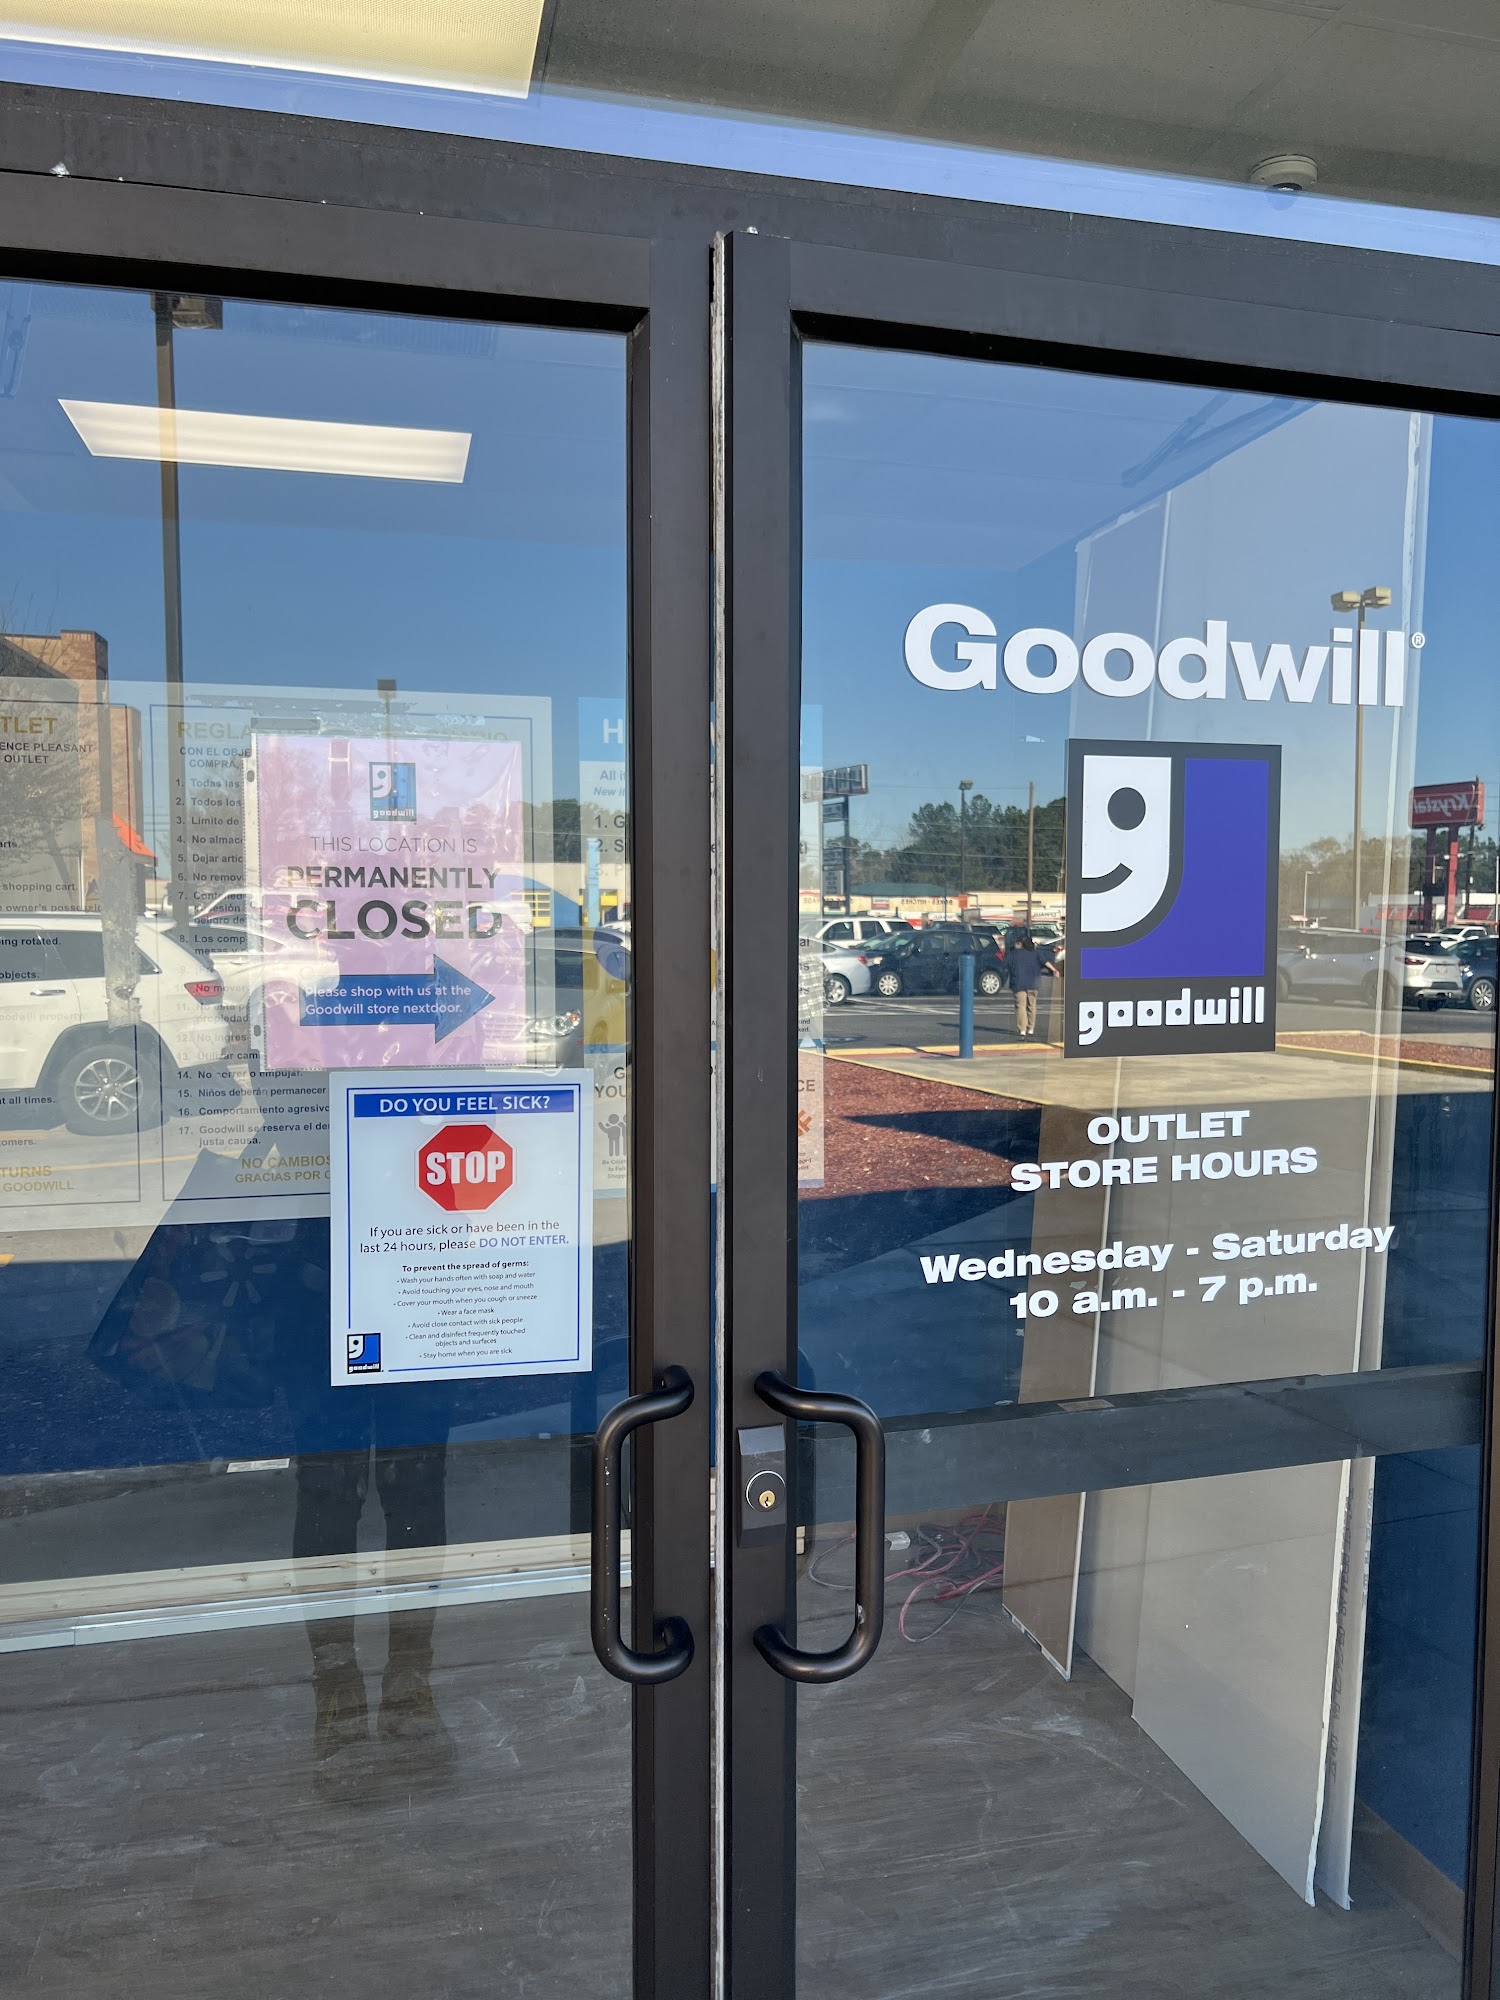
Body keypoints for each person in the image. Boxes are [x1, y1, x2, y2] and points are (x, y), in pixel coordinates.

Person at [1006, 930, 1056, 1039]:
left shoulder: (1014, 954)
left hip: (1018, 983)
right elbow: (1045, 962)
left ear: (1020, 944)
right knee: (1031, 1006)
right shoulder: (1036, 953)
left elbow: (1006, 965)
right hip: (1033, 983)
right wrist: (1054, 970)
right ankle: (1031, 1028)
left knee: (1020, 1006)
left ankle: (1022, 1030)